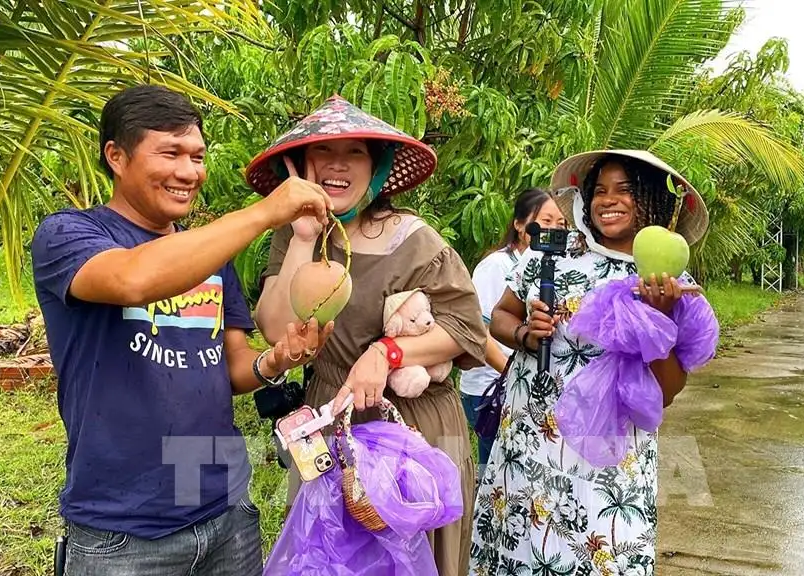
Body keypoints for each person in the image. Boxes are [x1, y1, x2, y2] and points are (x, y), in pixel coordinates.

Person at [30, 84, 335, 576]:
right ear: (116, 156)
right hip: (121, 527)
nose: (188, 172)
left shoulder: (211, 256)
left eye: (197, 156)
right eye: (170, 153)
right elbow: (133, 279)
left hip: (223, 510)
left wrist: (275, 360)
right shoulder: (68, 234)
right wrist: (263, 212)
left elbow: (231, 365)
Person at [247, 95, 487, 576]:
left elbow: (466, 330)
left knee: (411, 558)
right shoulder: (294, 237)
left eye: (355, 153)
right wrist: (299, 236)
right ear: (303, 165)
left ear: (377, 168)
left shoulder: (414, 239)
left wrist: (388, 351)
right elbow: (277, 329)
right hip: (332, 419)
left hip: (413, 425)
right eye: (323, 153)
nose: (337, 165)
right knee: (330, 554)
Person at [468, 149, 711, 575]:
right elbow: (501, 317)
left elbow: (668, 392)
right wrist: (525, 334)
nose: (607, 200)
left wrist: (659, 319)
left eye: (625, 190)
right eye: (599, 190)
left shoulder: (669, 286)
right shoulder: (551, 256)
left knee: (600, 554)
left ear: (652, 200)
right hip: (528, 444)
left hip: (607, 460)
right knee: (518, 548)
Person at [458, 188, 566, 480]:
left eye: (561, 223)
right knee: (495, 467)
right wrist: (511, 370)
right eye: (546, 220)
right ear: (520, 224)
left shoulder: (552, 262)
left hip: (519, 385)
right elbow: (480, 328)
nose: (554, 229)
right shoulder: (497, 266)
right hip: (489, 386)